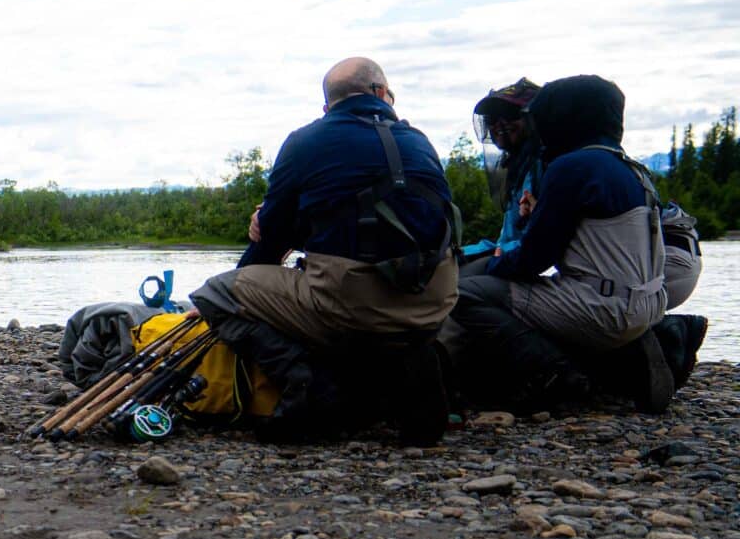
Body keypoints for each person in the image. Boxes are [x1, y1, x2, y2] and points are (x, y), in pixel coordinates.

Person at [190, 57, 459, 445]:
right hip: (435, 300)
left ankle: (309, 384)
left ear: (327, 107)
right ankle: (409, 368)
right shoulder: (418, 140)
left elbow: (271, 244)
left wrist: (257, 246)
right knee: (364, 302)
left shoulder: (306, 141)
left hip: (356, 305)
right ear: (382, 94)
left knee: (217, 292)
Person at [440, 74, 694, 414]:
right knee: (543, 295)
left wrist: (495, 264)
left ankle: (554, 374)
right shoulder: (632, 168)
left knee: (467, 293)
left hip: (605, 308)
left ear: (566, 117)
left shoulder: (571, 167)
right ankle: (635, 352)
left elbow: (532, 259)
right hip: (649, 304)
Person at [459, 78, 543, 272]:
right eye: (492, 119)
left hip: (525, 267)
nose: (500, 125)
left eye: (509, 114)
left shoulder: (542, 165)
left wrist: (499, 255)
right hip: (510, 258)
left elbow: (539, 240)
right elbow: (508, 238)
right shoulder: (519, 164)